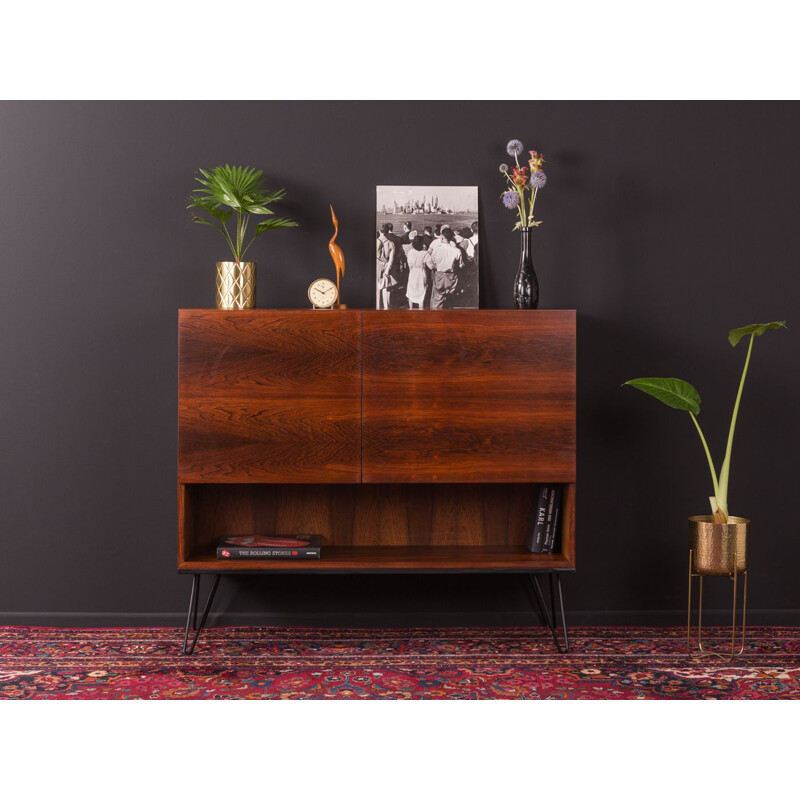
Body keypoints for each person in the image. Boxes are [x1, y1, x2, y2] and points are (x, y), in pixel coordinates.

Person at [428, 227, 463, 309]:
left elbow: (433, 263)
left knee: (437, 299)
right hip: (451, 277)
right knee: (450, 299)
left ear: (442, 237)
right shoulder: (457, 251)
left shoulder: (437, 250)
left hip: (439, 275)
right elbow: (461, 265)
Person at [377, 223, 404, 309]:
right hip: (388, 267)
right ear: (387, 231)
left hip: (378, 267)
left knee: (378, 288)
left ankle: (377, 307)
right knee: (387, 288)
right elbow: (391, 259)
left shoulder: (377, 241)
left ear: (379, 231)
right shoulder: (391, 243)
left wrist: (382, 263)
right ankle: (386, 307)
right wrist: (387, 268)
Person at [405, 236, 433, 309]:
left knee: (411, 292)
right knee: (421, 294)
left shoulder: (410, 252)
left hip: (412, 272)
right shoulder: (425, 253)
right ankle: (421, 312)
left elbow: (409, 265)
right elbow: (431, 266)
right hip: (421, 273)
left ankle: (410, 309)